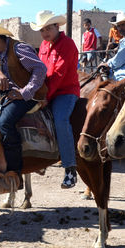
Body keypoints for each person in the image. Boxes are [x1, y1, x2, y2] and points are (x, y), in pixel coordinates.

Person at [0, 19, 47, 191]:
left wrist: (24, 93)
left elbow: (40, 69)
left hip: (30, 96)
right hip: (11, 94)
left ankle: (14, 173)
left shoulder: (19, 48)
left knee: (5, 123)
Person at [32, 11, 80, 188]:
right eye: (42, 30)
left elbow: (59, 74)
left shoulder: (67, 44)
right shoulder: (44, 45)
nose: (45, 33)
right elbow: (40, 70)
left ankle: (70, 169)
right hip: (47, 91)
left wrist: (45, 97)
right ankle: (40, 157)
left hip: (65, 91)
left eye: (48, 29)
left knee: (60, 120)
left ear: (57, 27)